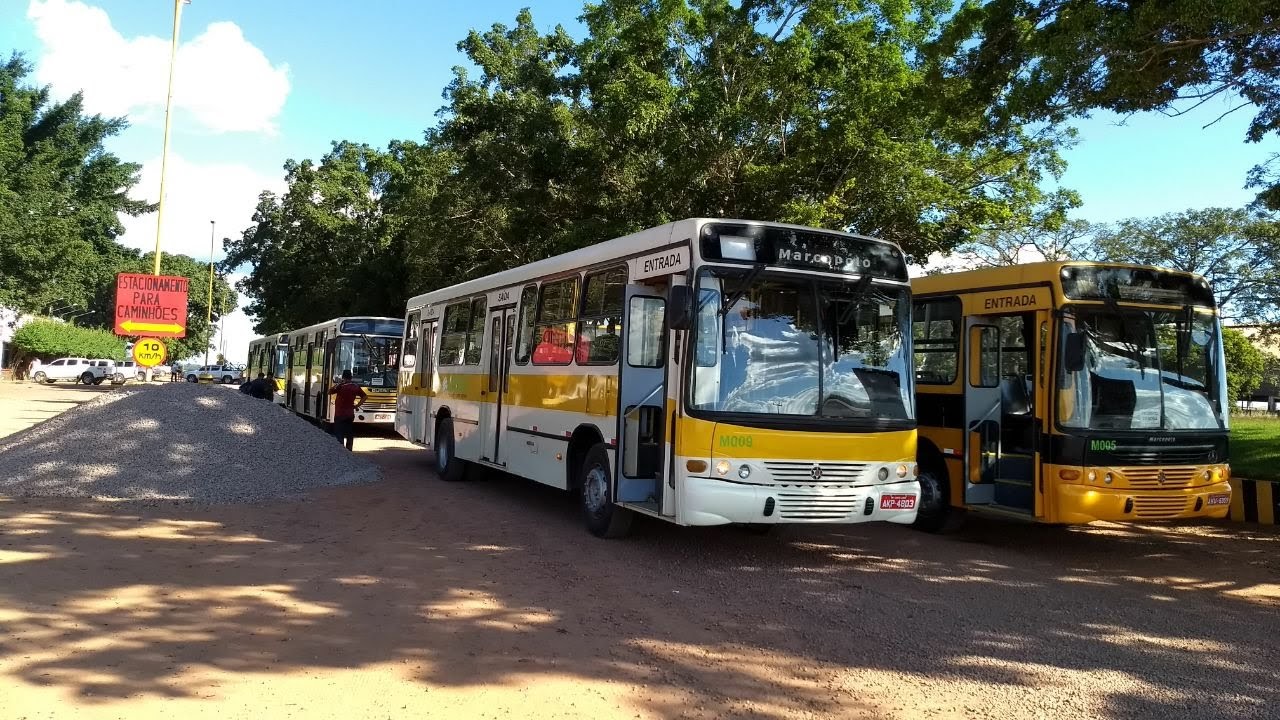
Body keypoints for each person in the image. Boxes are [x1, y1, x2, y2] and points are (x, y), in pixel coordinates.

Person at [328, 369, 367, 450]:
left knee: (339, 433)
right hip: (350, 414)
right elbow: (365, 396)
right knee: (349, 433)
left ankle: (341, 450)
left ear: (343, 377)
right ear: (351, 377)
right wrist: (357, 405)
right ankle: (349, 450)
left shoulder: (340, 386)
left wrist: (338, 383)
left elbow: (329, 391)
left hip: (339, 414)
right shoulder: (355, 386)